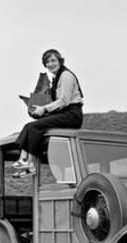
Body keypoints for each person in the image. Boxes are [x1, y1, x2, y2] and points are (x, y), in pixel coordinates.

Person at [13, 49, 84, 177]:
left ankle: (27, 162)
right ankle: (26, 161)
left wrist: (44, 109)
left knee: (33, 127)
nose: (51, 64)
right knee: (32, 126)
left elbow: (64, 101)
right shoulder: (56, 77)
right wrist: (37, 108)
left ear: (60, 61)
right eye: (47, 62)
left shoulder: (66, 75)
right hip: (64, 112)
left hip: (72, 114)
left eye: (53, 60)